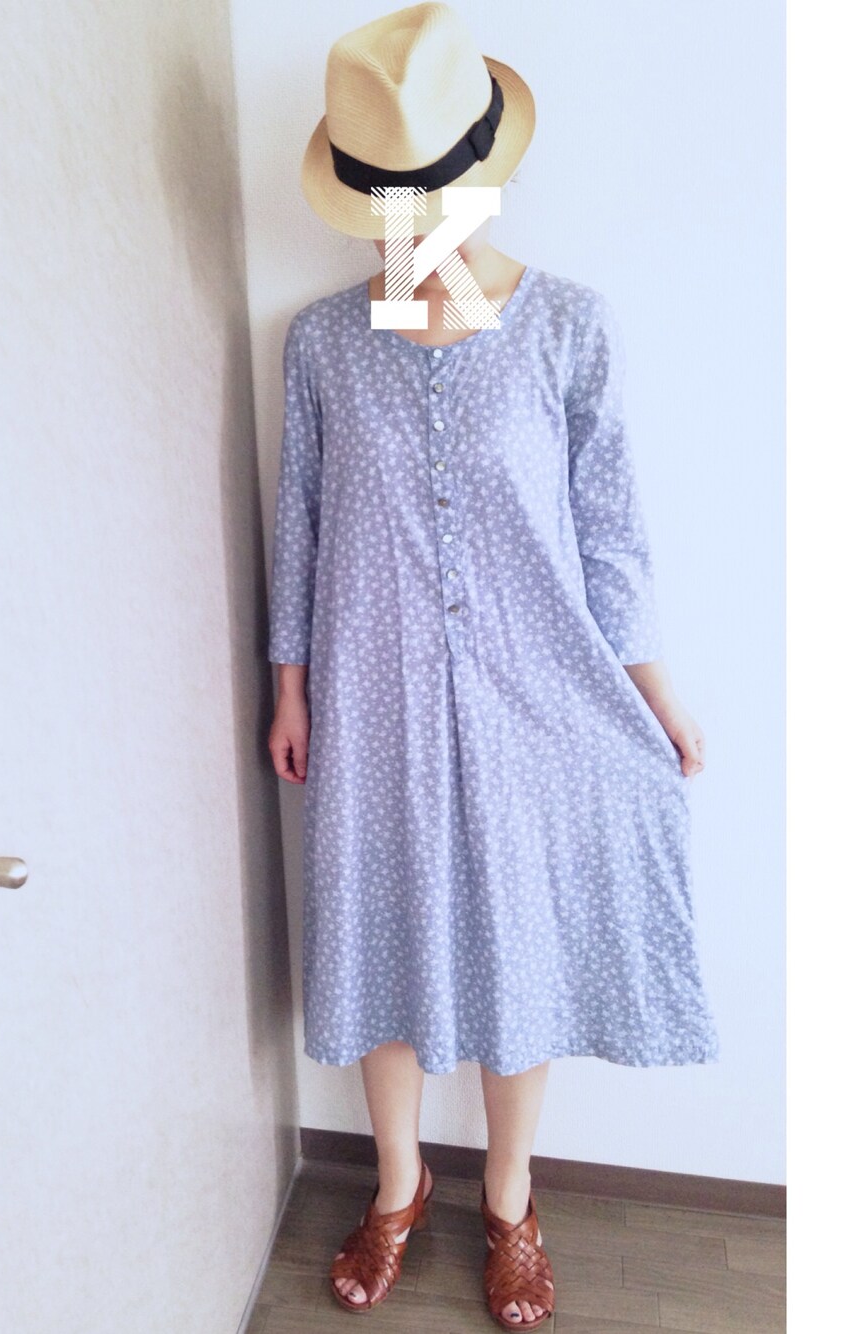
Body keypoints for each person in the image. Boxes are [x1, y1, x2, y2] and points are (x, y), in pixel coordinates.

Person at [266, 4, 720, 1329]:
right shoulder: (321, 343)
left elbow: (610, 531)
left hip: (539, 692)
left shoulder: (571, 326)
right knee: (377, 924)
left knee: (521, 938)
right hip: (371, 689)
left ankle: (512, 1201)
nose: (411, 223)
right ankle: (398, 1185)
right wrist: (291, 684)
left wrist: (651, 690)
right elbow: (299, 522)